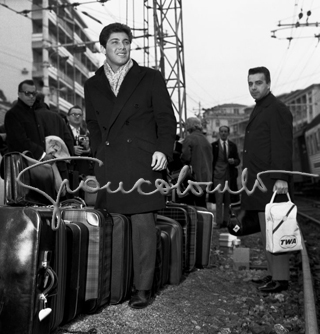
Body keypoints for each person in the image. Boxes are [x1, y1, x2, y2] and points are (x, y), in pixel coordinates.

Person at [84, 23, 176, 309]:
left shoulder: (149, 77)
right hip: (109, 161)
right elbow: (93, 125)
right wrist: (97, 156)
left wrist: (163, 150)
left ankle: (143, 288)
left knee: (142, 224)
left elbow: (166, 119)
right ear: (103, 47)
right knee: (114, 225)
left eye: (126, 41)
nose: (122, 47)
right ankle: (115, 286)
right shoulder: (92, 83)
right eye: (115, 42)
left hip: (142, 161)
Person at [242, 66, 293, 293]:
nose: (254, 87)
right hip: (260, 182)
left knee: (276, 230)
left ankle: (281, 279)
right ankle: (273, 274)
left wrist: (281, 177)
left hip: (272, 182)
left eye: (258, 83)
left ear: (268, 84)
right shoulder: (262, 108)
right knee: (266, 232)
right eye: (250, 83)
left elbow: (282, 146)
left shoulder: (277, 109)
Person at [5, 80, 75, 187]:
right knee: (28, 199)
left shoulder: (33, 113)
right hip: (24, 167)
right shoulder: (13, 114)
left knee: (46, 198)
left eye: (34, 94)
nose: (32, 97)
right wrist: (42, 155)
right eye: (28, 93)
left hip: (38, 166)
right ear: (19, 94)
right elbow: (20, 141)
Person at [210, 126, 240, 228]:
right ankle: (218, 222)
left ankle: (227, 222)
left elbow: (238, 161)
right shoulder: (213, 146)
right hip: (218, 176)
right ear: (219, 133)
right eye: (221, 131)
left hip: (229, 176)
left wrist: (233, 161)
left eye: (225, 132)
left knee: (228, 199)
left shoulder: (233, 146)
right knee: (219, 199)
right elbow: (211, 161)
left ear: (228, 133)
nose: (223, 133)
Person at [180, 117, 213, 207]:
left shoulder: (189, 139)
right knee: (202, 204)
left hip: (194, 177)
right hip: (206, 177)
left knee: (191, 205)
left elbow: (185, 157)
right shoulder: (205, 140)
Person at [66, 105, 93, 193]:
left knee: (83, 193)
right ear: (68, 117)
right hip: (68, 168)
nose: (77, 117)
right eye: (74, 114)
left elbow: (92, 152)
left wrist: (88, 148)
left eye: (80, 115)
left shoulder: (86, 132)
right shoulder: (63, 130)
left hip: (83, 169)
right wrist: (71, 149)